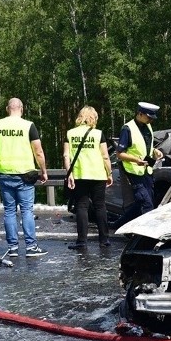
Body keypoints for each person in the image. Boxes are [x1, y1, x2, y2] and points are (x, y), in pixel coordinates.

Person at [0, 97, 48, 257]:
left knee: (9, 211)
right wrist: (43, 170)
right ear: (22, 108)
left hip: (4, 173)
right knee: (27, 211)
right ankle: (31, 247)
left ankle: (12, 248)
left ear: (7, 109)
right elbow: (38, 151)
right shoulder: (28, 126)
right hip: (25, 174)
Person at [64, 106, 113, 249]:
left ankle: (81, 241)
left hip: (80, 174)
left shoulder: (70, 133)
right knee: (100, 206)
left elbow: (66, 155)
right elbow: (105, 156)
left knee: (81, 206)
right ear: (94, 117)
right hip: (98, 174)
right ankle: (104, 240)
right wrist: (109, 173)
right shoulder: (98, 134)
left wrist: (69, 173)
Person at [113, 102, 163, 226]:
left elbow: (146, 146)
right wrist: (136, 160)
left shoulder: (148, 126)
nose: (151, 120)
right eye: (149, 117)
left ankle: (119, 224)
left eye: (152, 118)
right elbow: (119, 154)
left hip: (147, 171)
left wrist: (155, 151)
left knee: (143, 202)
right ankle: (148, 235)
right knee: (146, 203)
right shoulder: (127, 129)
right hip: (133, 171)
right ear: (140, 114)